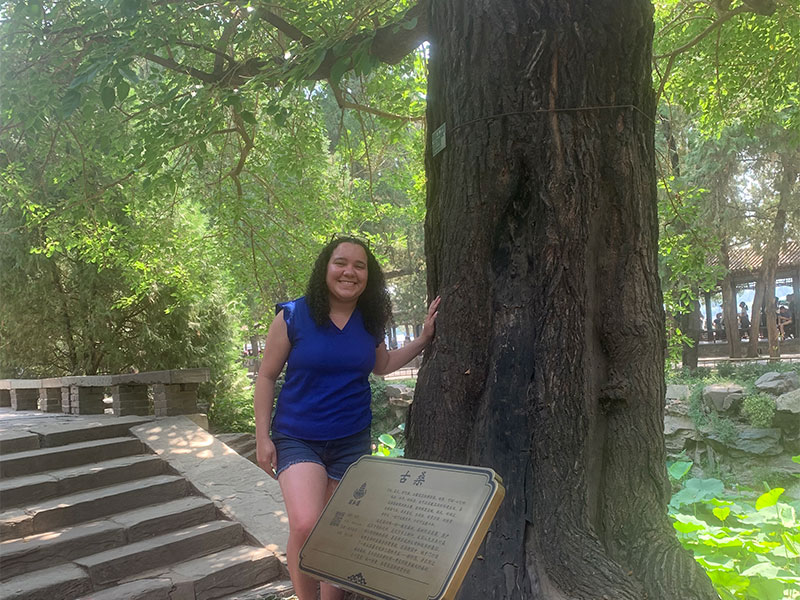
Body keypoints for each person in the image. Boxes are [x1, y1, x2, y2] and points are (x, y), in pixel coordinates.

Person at [253, 236, 441, 600]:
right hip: (297, 437)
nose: (349, 272)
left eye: (360, 266)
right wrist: (262, 437)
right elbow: (266, 376)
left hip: (350, 440)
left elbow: (382, 365)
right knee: (308, 524)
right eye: (341, 262)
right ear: (325, 268)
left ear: (368, 277)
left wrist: (422, 340)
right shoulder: (293, 315)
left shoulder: (369, 322)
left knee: (340, 533)